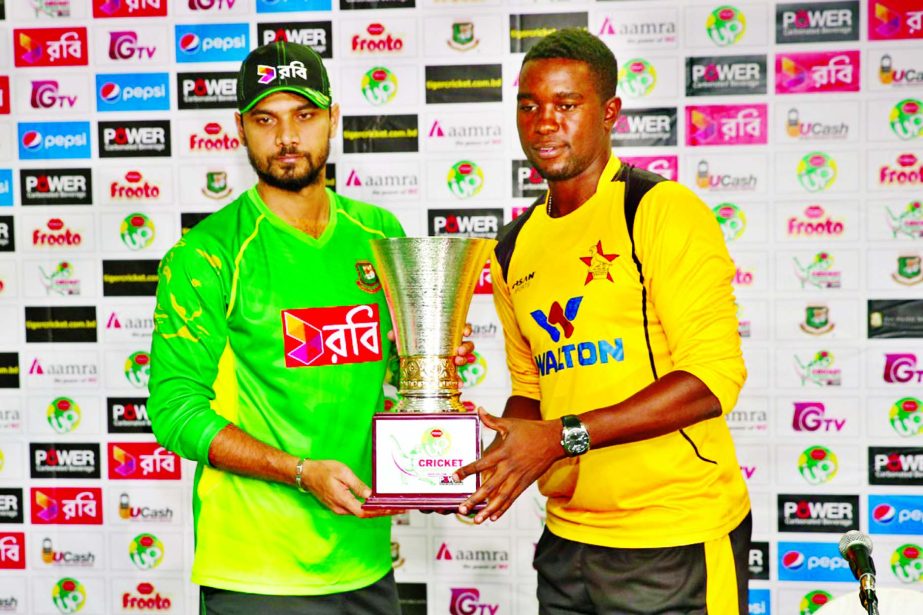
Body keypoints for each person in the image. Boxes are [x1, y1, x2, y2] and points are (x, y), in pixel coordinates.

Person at [148, 41, 472, 615]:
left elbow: (395, 373)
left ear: (333, 118)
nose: (287, 137)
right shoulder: (208, 254)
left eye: (305, 115)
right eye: (265, 119)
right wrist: (300, 473)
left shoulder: (377, 233)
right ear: (240, 129)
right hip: (258, 571)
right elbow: (175, 411)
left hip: (366, 559)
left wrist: (431, 364)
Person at [453, 29, 752, 614]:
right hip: (567, 543)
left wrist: (561, 437)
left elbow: (713, 378)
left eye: (566, 105)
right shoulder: (511, 247)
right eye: (530, 105)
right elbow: (534, 391)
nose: (544, 123)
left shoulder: (659, 210)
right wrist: (484, 462)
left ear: (610, 111)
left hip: (673, 538)